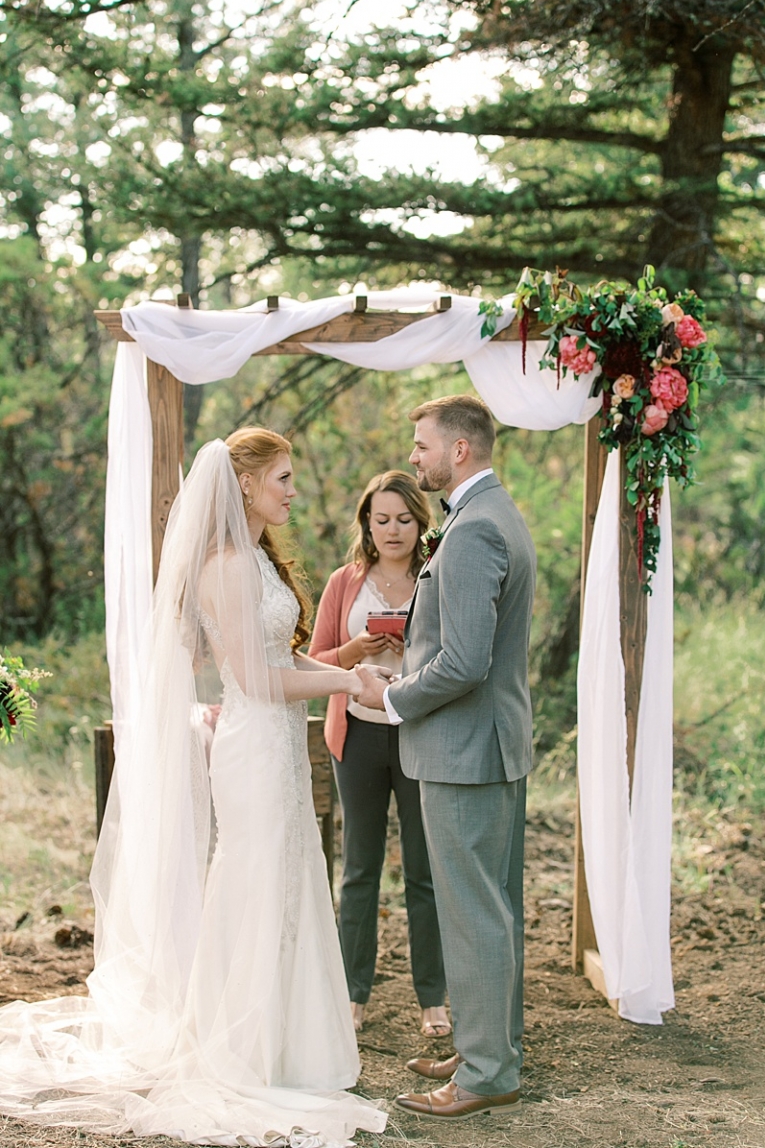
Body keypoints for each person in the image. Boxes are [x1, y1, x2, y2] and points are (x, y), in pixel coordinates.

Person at [0, 428, 387, 1145]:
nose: (293, 491)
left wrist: (347, 662)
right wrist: (344, 681)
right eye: (284, 478)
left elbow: (281, 650)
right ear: (245, 483)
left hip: (277, 749)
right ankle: (239, 1050)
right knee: (254, 886)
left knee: (290, 882)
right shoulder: (227, 566)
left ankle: (284, 1046)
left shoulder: (257, 561)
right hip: (254, 748)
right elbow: (256, 679)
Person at [355, 395, 536, 1121]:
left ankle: (489, 1072)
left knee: (474, 915)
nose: (416, 456)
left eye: (423, 444)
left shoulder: (472, 532)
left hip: (465, 753)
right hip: (486, 747)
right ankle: (492, 1049)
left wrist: (395, 701)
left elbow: (462, 662)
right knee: (491, 908)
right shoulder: (491, 516)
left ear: (460, 449)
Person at [309, 471, 449, 1039]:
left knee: (424, 872)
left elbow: (452, 652)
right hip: (359, 737)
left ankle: (433, 999)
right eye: (381, 518)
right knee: (359, 870)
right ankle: (352, 996)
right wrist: (356, 650)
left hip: (420, 734)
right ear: (366, 522)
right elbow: (314, 658)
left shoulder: (438, 576)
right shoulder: (345, 582)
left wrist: (411, 648)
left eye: (404, 519)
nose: (393, 530)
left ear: (421, 523)